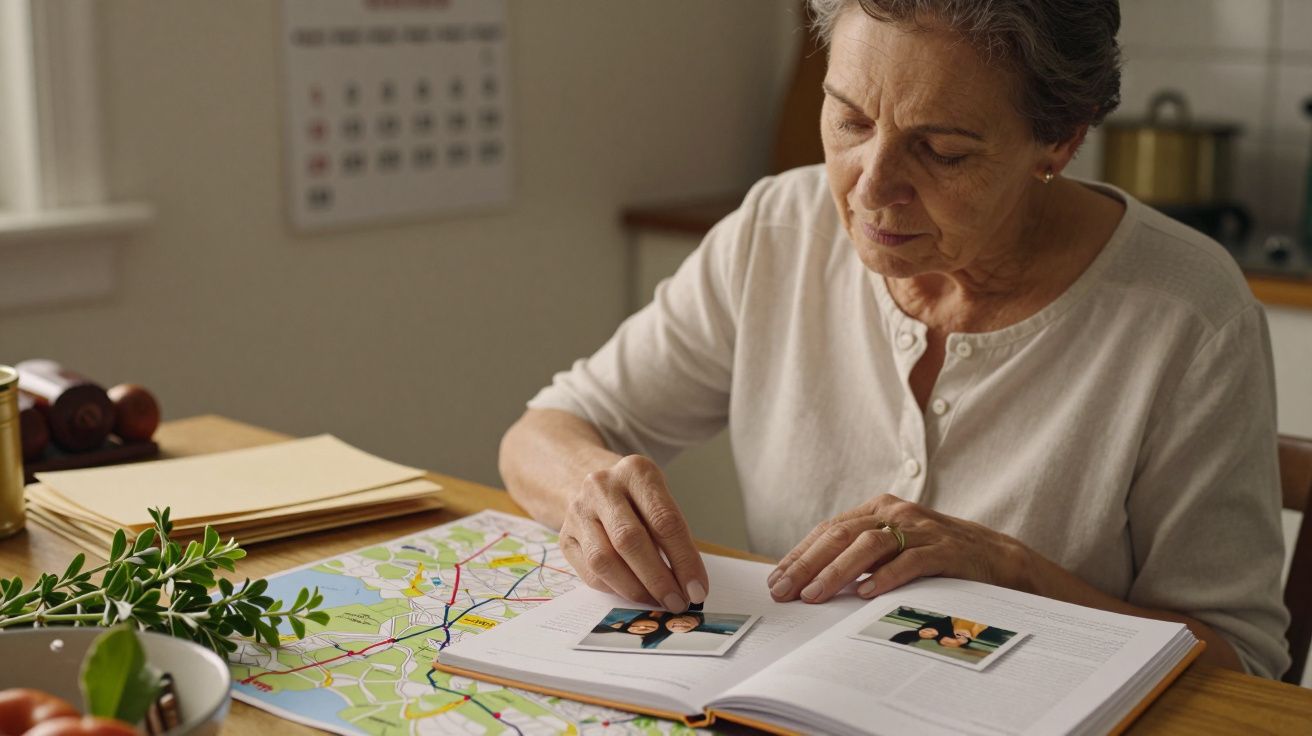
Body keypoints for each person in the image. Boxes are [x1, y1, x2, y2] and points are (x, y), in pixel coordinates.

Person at [499, 0, 1289, 679]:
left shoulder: (1188, 314)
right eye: (849, 119)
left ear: (1060, 141)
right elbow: (545, 433)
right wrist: (590, 488)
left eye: (942, 151)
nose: (869, 186)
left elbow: (1242, 662)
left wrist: (1009, 571)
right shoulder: (779, 230)